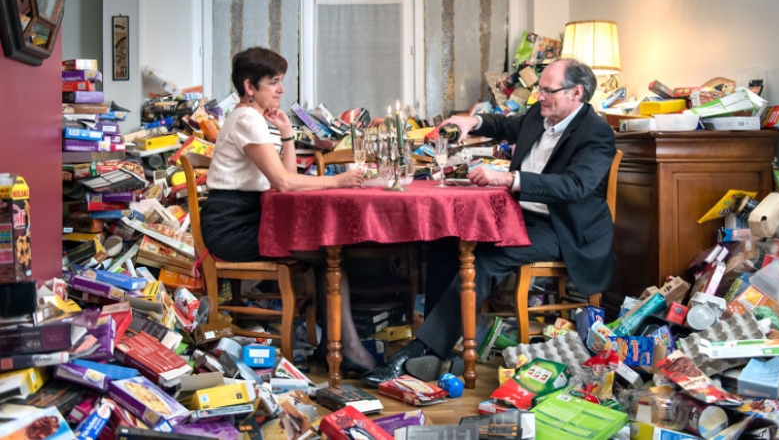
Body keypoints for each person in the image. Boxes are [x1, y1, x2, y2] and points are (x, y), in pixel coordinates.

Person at [362, 58, 617, 387]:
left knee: (484, 261)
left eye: (547, 91)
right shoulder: (541, 117)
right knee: (445, 241)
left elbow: (575, 186)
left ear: (576, 93)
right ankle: (441, 348)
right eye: (539, 90)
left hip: (564, 229)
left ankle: (420, 349)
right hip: (521, 217)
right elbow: (503, 125)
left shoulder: (596, 133)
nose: (539, 96)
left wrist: (509, 178)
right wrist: (471, 121)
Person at [200, 46, 376, 375]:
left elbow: (287, 177)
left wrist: (286, 133)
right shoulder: (246, 119)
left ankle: (337, 347)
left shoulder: (251, 118)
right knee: (331, 254)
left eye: (282, 81)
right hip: (231, 227)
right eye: (274, 82)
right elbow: (283, 182)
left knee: (330, 254)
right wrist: (337, 183)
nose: (281, 89)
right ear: (250, 87)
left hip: (250, 218)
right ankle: (346, 349)